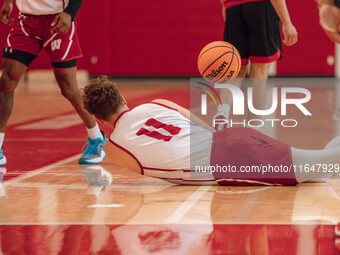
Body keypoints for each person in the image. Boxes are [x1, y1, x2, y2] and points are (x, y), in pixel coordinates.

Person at [82, 76, 340, 186]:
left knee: (325, 165)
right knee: (319, 174)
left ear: (99, 119)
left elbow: (158, 171)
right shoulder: (158, 103)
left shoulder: (114, 150)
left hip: (226, 161)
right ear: (122, 97)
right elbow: (199, 125)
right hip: (231, 139)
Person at [0, 0, 106, 165]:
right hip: (26, 21)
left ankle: (96, 138)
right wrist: (8, 2)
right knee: (6, 80)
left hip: (58, 19)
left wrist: (70, 13)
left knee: (68, 88)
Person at [215, 0, 298, 129]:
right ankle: (253, 127)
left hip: (233, 8)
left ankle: (223, 110)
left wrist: (225, 6)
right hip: (261, 6)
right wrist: (287, 22)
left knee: (236, 69)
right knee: (260, 71)